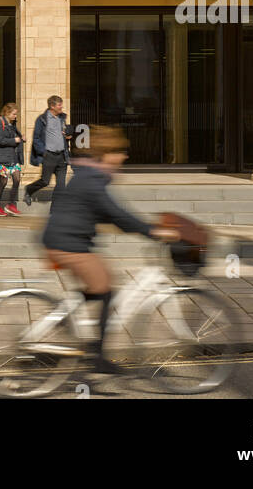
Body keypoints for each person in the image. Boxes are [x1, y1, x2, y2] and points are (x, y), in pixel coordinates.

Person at [41, 126, 179, 376]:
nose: (124, 157)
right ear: (107, 154)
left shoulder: (91, 176)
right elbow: (119, 215)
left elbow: (113, 215)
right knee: (105, 287)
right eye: (119, 152)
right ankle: (97, 357)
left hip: (68, 240)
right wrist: (153, 231)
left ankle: (76, 326)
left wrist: (145, 228)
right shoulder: (92, 180)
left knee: (103, 287)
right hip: (67, 243)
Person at [24, 95, 72, 206]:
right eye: (59, 105)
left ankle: (55, 211)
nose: (61, 107)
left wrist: (68, 135)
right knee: (45, 181)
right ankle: (29, 190)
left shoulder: (62, 118)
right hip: (49, 156)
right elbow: (36, 138)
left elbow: (66, 134)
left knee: (61, 186)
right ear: (52, 106)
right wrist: (44, 152)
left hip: (61, 156)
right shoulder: (42, 119)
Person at [0, 103, 24, 215]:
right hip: (1, 158)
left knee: (17, 179)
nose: (16, 116)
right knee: (3, 183)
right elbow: (0, 140)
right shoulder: (0, 123)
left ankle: (11, 205)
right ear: (7, 113)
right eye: (14, 114)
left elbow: (14, 138)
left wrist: (21, 138)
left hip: (12, 158)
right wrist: (15, 140)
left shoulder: (12, 124)